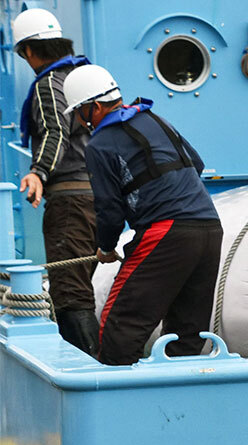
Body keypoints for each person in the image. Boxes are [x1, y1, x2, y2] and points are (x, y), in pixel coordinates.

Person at [61, 64, 222, 366]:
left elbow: (108, 209)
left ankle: (115, 403)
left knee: (119, 326)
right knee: (187, 331)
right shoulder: (156, 120)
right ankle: (178, 403)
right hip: (210, 227)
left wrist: (106, 248)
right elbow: (196, 164)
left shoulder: (100, 144)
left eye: (80, 112)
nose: (81, 121)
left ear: (94, 107)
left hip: (166, 232)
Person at [11, 8, 99, 354]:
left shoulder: (49, 82)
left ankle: (90, 368)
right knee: (82, 284)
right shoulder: (83, 76)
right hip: (96, 196)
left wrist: (38, 171)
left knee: (69, 292)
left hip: (71, 200)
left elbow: (53, 129)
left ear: (30, 51)